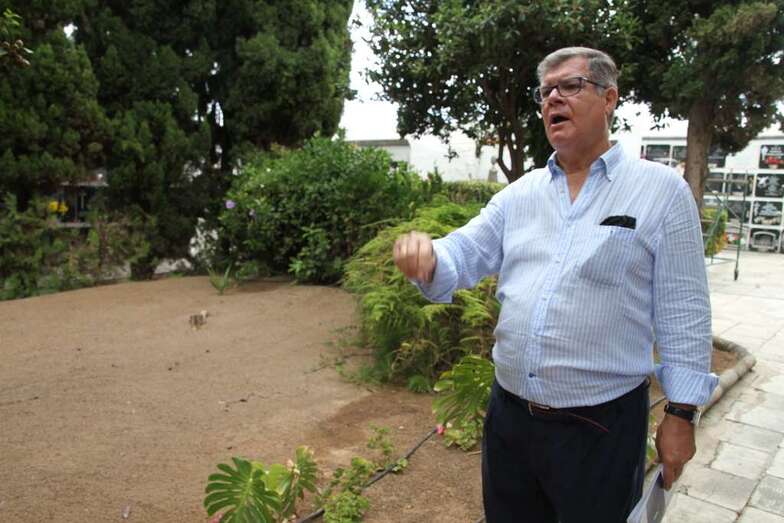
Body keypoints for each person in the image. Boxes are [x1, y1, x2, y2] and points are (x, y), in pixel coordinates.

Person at [393, 47, 717, 523]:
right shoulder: (520, 194)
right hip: (510, 420)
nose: (552, 100)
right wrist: (428, 258)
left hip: (600, 428)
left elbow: (685, 310)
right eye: (545, 92)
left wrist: (682, 414)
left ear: (609, 99)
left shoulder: (660, 192)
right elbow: (462, 251)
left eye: (569, 86)